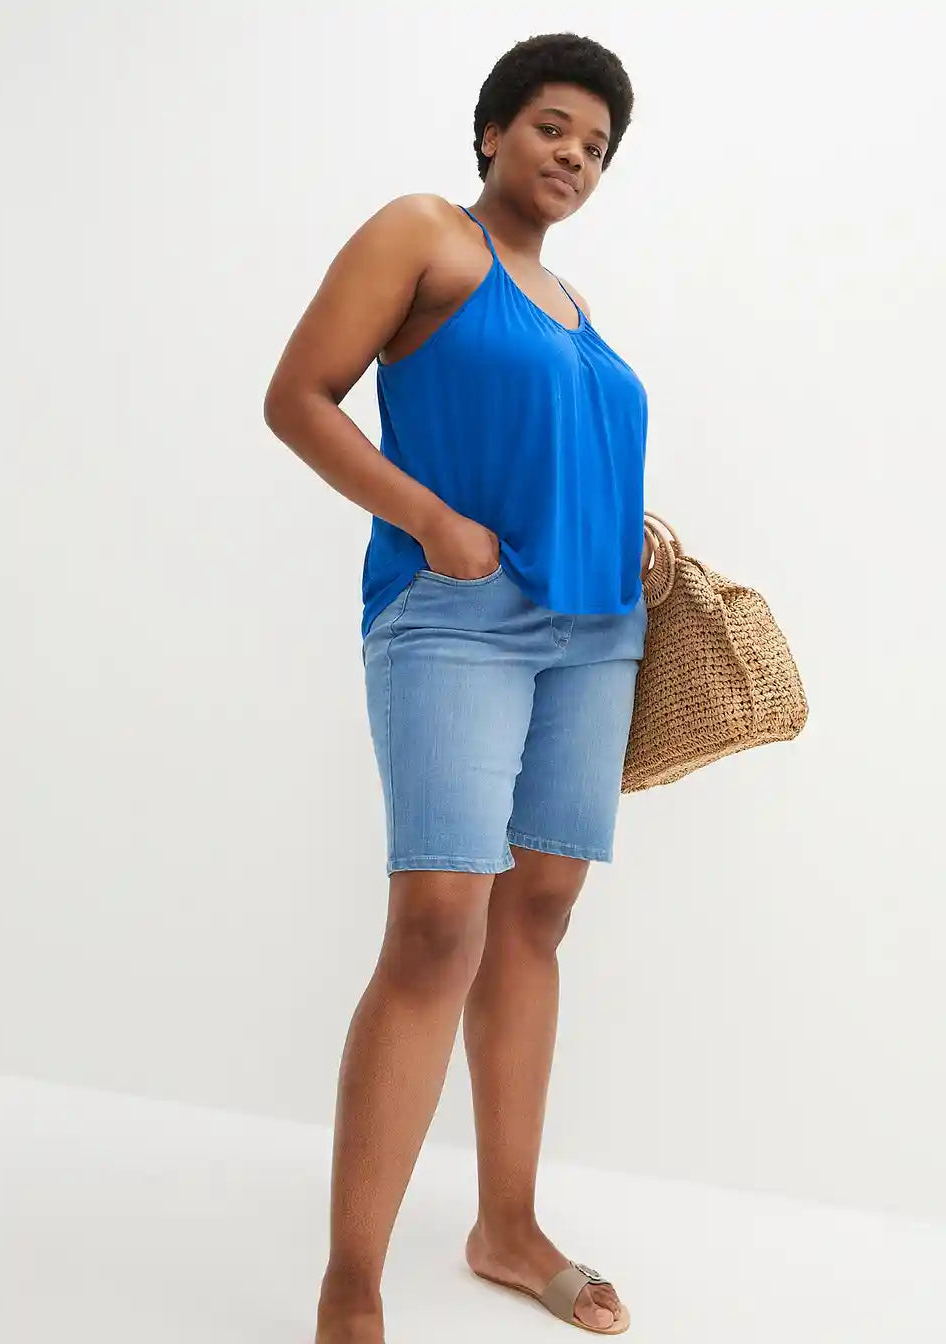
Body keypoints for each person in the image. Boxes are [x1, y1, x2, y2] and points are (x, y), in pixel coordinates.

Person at [264, 31, 651, 1344]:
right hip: (460, 623)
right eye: (552, 127)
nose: (574, 157)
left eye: (596, 147)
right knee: (440, 924)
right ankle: (351, 1282)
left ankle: (506, 1225)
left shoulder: (575, 306)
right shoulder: (428, 234)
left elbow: (555, 459)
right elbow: (299, 398)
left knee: (535, 917)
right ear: (492, 130)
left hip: (596, 635)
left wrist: (630, 537)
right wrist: (430, 521)